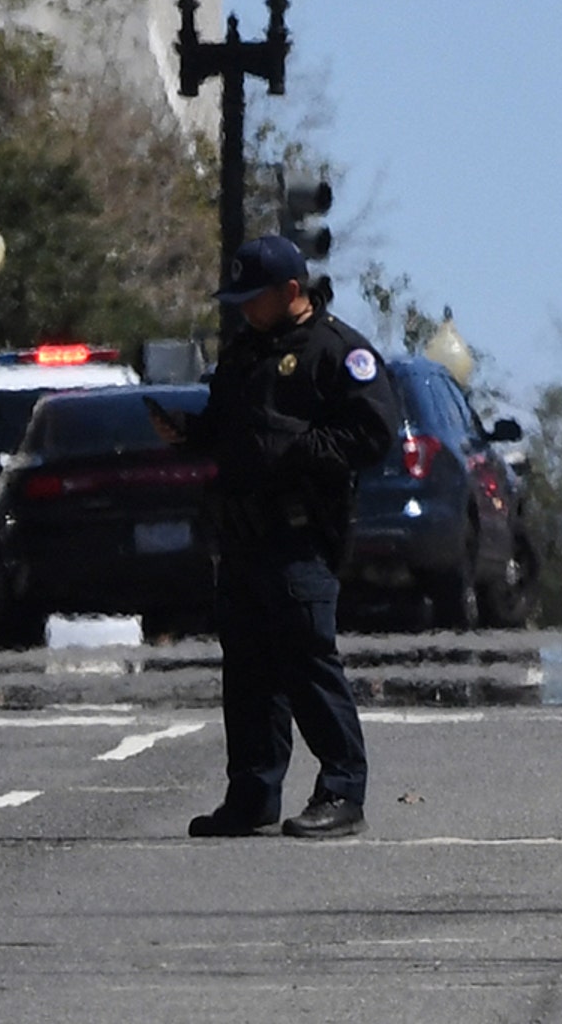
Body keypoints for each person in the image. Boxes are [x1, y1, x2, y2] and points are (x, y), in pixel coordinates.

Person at [152, 234, 401, 840]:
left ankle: (342, 790)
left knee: (306, 660)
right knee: (248, 670)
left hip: (300, 534)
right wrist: (188, 432)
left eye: (252, 296)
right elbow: (229, 428)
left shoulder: (338, 352)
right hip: (241, 534)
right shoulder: (245, 352)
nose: (242, 308)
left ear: (292, 292)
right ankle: (253, 793)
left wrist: (297, 447)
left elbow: (372, 438)